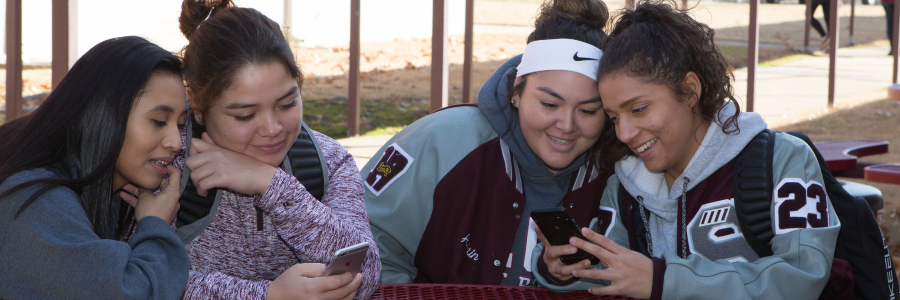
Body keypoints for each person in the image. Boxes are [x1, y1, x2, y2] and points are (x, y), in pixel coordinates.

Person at [533, 1, 841, 299]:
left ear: (690, 90)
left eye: (639, 109)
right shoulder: (624, 185)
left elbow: (801, 277)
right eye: (613, 117)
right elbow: (612, 273)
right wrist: (562, 270)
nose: (624, 133)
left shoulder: (780, 161)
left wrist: (665, 280)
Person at [364, 0, 618, 287]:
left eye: (588, 111)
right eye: (549, 104)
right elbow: (365, 240)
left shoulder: (622, 168)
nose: (567, 125)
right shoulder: (440, 142)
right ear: (515, 92)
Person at [172, 1, 379, 299]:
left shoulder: (328, 161)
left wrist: (271, 184)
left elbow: (367, 270)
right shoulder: (167, 162)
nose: (272, 129)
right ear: (198, 105)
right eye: (244, 115)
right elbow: (143, 278)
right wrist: (269, 295)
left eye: (287, 104)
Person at [0, 36, 189, 299]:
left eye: (181, 124)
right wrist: (156, 224)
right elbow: (128, 293)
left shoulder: (101, 190)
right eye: (159, 121)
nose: (176, 142)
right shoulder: (36, 202)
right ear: (105, 113)